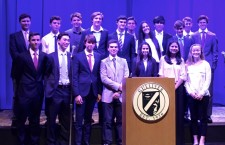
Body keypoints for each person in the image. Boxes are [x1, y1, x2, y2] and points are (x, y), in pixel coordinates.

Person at [14, 32, 50, 145]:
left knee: (35, 120)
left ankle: (34, 142)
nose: (36, 42)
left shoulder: (44, 56)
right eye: (33, 40)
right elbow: (16, 74)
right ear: (29, 41)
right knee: (21, 120)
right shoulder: (21, 56)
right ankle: (21, 142)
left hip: (38, 93)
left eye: (37, 40)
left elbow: (45, 72)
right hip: (24, 93)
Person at [72, 34, 102, 145]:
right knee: (79, 121)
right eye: (88, 42)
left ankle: (86, 142)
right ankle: (78, 143)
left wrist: (99, 92)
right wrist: (76, 94)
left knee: (88, 120)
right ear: (85, 43)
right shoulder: (78, 56)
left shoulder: (98, 56)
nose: (90, 45)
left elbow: (99, 76)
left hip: (93, 92)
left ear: (94, 44)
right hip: (81, 92)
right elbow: (74, 76)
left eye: (92, 43)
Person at [100, 39, 129, 145]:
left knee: (120, 121)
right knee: (107, 121)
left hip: (121, 95)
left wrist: (120, 91)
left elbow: (126, 76)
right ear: (108, 48)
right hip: (108, 95)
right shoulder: (103, 62)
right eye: (111, 47)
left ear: (118, 48)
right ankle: (107, 142)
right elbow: (104, 78)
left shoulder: (123, 61)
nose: (113, 49)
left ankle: (121, 142)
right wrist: (118, 87)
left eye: (115, 47)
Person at [45, 33, 71, 145]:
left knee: (65, 120)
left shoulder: (71, 56)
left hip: (67, 91)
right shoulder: (51, 56)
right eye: (64, 40)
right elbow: (45, 74)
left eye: (68, 40)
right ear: (58, 41)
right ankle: (51, 142)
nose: (66, 42)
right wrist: (49, 88)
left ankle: (63, 142)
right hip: (55, 91)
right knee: (51, 119)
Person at [191, 15, 218, 123]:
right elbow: (191, 50)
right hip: (196, 65)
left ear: (207, 23)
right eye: (200, 22)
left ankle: (207, 115)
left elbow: (215, 52)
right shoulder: (194, 35)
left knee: (208, 91)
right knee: (196, 89)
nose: (202, 24)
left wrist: (213, 66)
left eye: (204, 22)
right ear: (198, 24)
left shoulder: (212, 35)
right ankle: (197, 114)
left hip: (208, 66)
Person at [158, 40, 186, 145]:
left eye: (176, 47)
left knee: (178, 114)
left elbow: (183, 76)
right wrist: (169, 85)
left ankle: (178, 141)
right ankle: (166, 138)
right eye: (172, 46)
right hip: (166, 88)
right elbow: (160, 74)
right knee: (166, 113)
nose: (174, 48)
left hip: (178, 89)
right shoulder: (163, 59)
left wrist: (175, 86)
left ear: (178, 48)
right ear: (168, 47)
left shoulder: (181, 60)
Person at [185, 44, 211, 145]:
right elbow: (186, 82)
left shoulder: (206, 64)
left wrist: (201, 93)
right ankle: (195, 139)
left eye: (198, 50)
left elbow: (208, 80)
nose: (196, 52)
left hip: (203, 96)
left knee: (203, 118)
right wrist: (191, 92)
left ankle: (202, 140)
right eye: (194, 50)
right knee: (193, 118)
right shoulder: (187, 65)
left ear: (201, 52)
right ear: (191, 52)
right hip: (192, 95)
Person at [9, 13, 32, 129]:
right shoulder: (14, 36)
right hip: (18, 72)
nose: (26, 23)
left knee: (31, 96)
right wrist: (28, 63)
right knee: (17, 95)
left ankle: (29, 117)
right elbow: (14, 54)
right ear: (20, 23)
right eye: (24, 21)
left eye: (28, 21)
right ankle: (15, 119)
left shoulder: (34, 36)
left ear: (30, 22)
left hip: (32, 73)